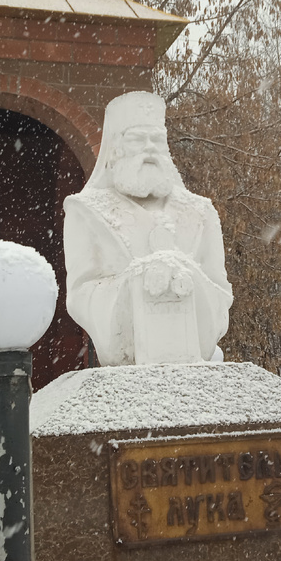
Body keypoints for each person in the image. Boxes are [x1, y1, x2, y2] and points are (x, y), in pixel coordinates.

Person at [63, 92, 233, 365]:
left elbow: (220, 290)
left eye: (156, 139)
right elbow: (82, 294)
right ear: (116, 149)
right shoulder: (85, 211)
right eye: (136, 139)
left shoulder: (201, 212)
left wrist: (182, 275)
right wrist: (136, 282)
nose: (149, 148)